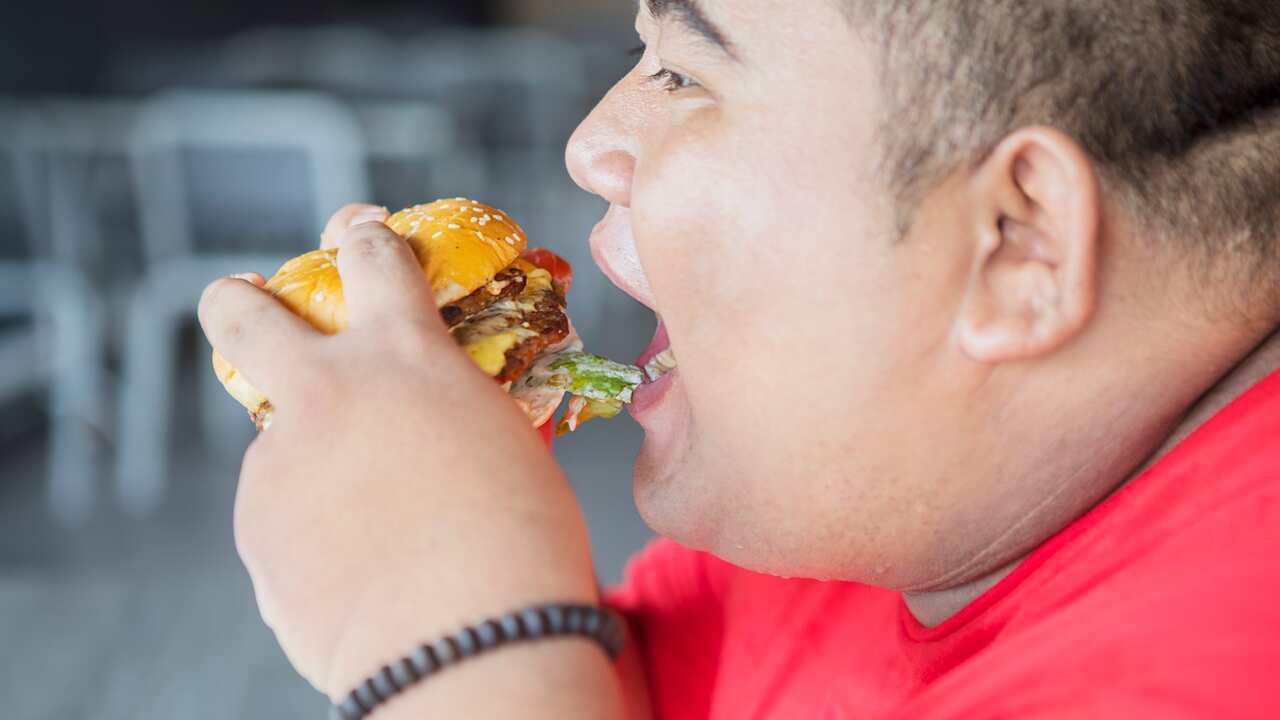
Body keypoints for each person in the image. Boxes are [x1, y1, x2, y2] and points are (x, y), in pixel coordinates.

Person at [197, 1, 1280, 717]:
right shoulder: (862, 478)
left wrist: (442, 634)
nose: (587, 145)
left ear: (1016, 246)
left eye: (680, 71)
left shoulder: (1216, 668)